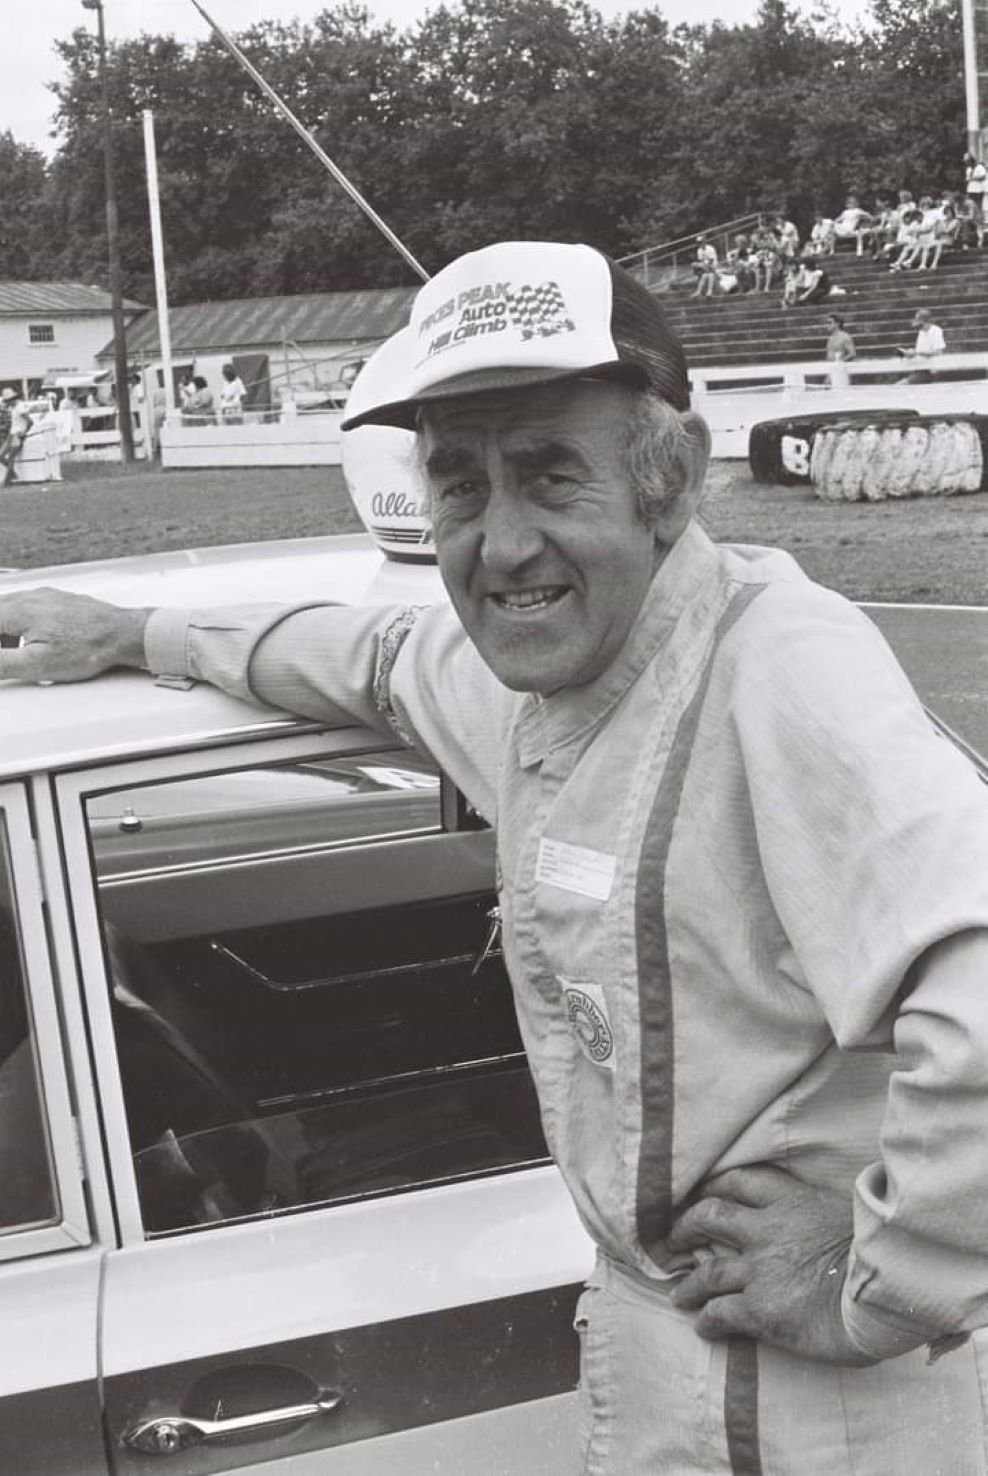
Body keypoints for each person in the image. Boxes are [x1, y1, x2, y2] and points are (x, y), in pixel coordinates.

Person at [2, 239, 988, 1474]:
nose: (501, 543)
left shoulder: (781, 663)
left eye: (548, 476)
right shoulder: (514, 673)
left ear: (667, 482)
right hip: (653, 1336)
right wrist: (140, 630)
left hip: (809, 1398)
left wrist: (882, 1281)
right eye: (460, 483)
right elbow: (365, 659)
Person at [897, 307, 946, 382]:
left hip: (929, 371)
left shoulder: (936, 331)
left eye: (917, 319)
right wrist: (909, 353)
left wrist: (917, 352)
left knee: (901, 385)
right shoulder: (921, 332)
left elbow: (938, 353)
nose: (915, 322)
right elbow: (920, 352)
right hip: (919, 368)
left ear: (923, 320)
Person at [0, 387, 31, 487]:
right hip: (11, 434)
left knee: (11, 458)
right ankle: (12, 474)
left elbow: (30, 422)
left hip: (17, 435)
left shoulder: (20, 407)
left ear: (13, 399)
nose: (8, 403)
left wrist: (24, 433)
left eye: (8, 401)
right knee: (1, 455)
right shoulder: (13, 407)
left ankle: (7, 481)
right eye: (7, 401)